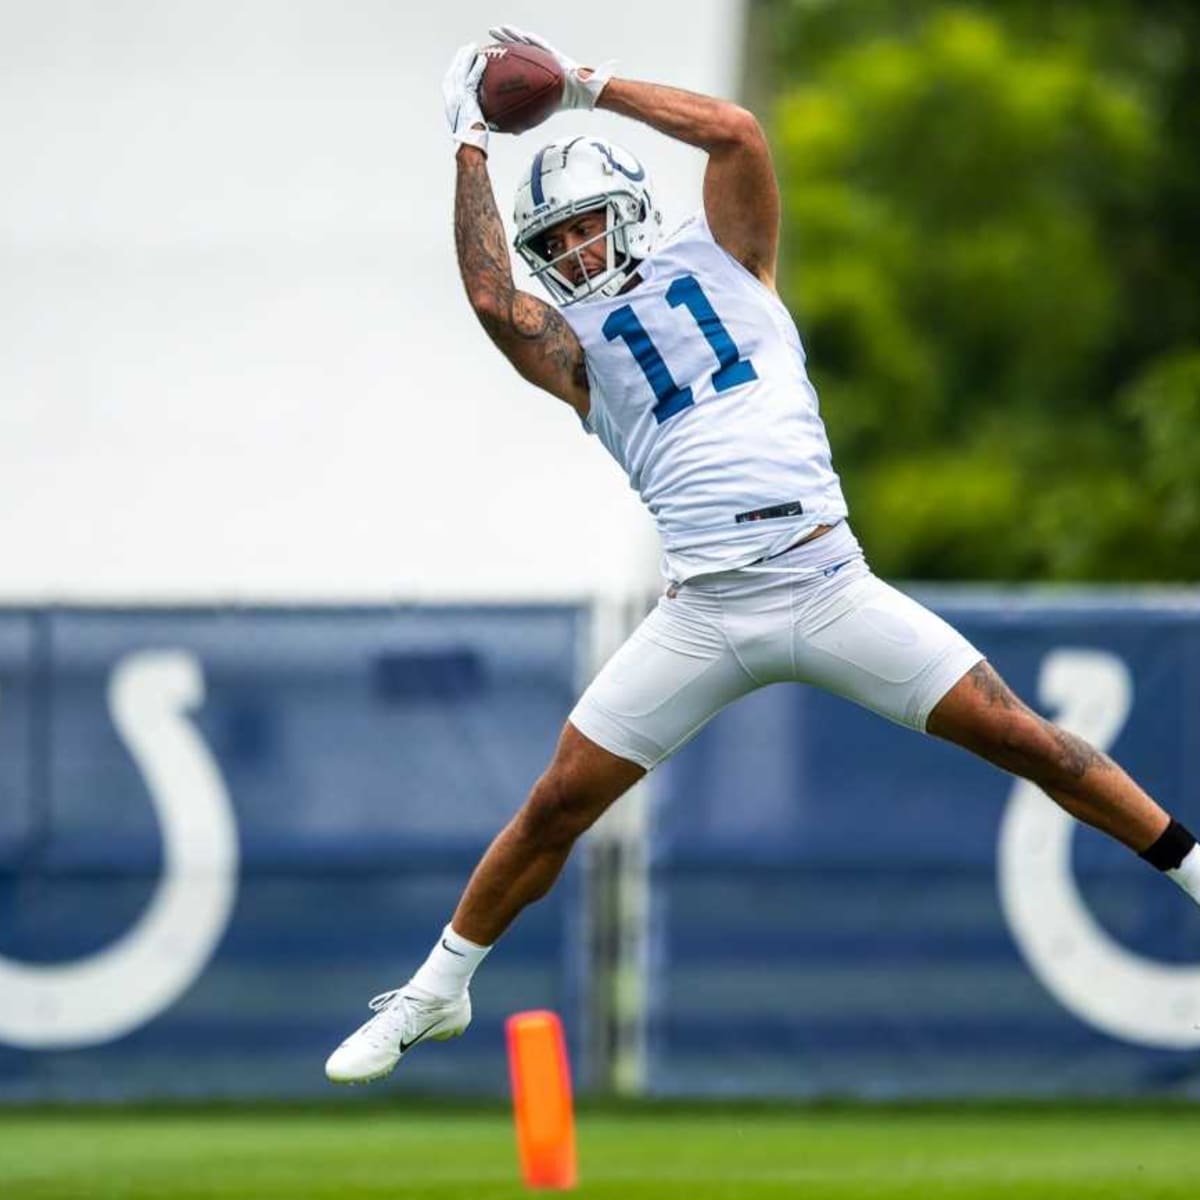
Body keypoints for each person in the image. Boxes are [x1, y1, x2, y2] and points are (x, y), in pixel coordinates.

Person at [324, 25, 1200, 1084]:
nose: (576, 256)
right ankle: (438, 989)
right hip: (704, 613)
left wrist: (585, 89)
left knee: (1026, 739)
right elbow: (489, 298)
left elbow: (735, 132)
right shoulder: (578, 355)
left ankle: (1192, 869)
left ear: (633, 210)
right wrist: (469, 139)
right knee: (559, 802)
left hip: (827, 581)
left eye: (588, 228)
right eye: (556, 243)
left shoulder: (731, 257)